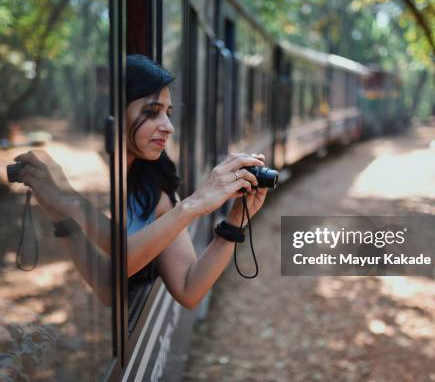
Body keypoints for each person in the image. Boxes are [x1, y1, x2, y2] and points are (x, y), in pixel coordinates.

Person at [15, 54, 269, 309]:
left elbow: (188, 289)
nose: (168, 126)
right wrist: (63, 215)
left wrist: (235, 220)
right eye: (151, 112)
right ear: (113, 117)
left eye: (168, 114)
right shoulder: (90, 178)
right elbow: (109, 286)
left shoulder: (154, 188)